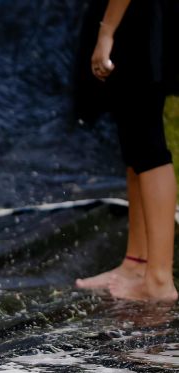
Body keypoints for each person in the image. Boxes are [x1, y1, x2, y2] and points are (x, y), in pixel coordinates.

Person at [75, 0, 178, 303]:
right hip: (132, 18)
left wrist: (107, 32)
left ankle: (159, 279)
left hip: (135, 21)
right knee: (134, 142)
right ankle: (137, 263)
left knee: (147, 145)